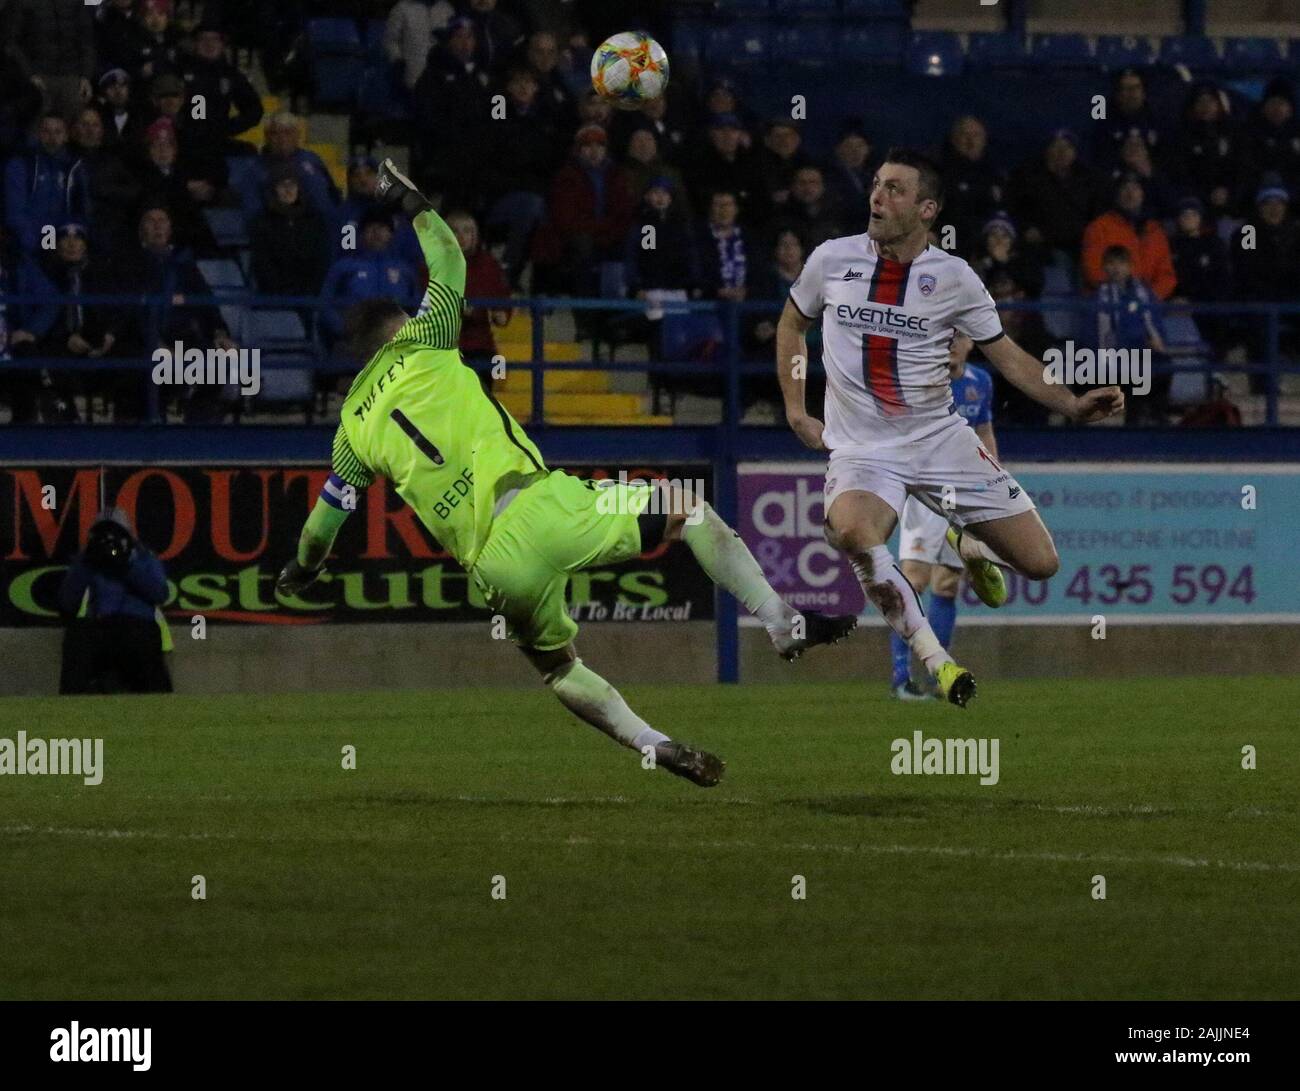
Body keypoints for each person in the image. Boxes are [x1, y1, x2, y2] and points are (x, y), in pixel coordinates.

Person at [276, 161, 858, 787]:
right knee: (686, 508)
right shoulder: (426, 337)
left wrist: (299, 573)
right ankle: (778, 621)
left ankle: (651, 742)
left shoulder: (350, 432)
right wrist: (411, 200)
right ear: (399, 326)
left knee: (557, 668)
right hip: (540, 506)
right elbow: (449, 260)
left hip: (492, 567)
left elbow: (321, 527)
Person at [776, 148, 1124, 707]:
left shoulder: (955, 278)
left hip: (940, 440)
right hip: (863, 450)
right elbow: (792, 324)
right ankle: (935, 664)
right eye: (875, 185)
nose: (877, 197)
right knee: (856, 534)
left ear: (926, 209)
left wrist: (1072, 404)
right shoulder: (831, 259)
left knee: (1040, 563)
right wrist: (796, 408)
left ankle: (970, 543)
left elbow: (1008, 357)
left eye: (894, 189)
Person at [889, 332, 996, 700]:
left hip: (963, 493)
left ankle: (939, 676)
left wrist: (995, 478)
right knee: (913, 581)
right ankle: (901, 678)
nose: (952, 343)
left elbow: (983, 432)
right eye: (945, 336)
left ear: (970, 343)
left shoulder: (980, 382)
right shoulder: (921, 378)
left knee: (947, 585)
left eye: (959, 337)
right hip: (925, 490)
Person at [58, 507, 173, 695]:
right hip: (100, 627)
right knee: (77, 636)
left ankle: (159, 707)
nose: (108, 542)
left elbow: (160, 593)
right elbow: (67, 602)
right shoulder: (87, 560)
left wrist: (127, 565)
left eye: (115, 535)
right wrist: (87, 562)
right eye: (102, 536)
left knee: (143, 643)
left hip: (136, 626)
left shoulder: (144, 557)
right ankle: (69, 708)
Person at [1096, 245, 1169, 423]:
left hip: (1142, 352)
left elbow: (1156, 322)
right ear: (1104, 267)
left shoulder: (1144, 293)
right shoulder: (1099, 296)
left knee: (1165, 364)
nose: (1116, 268)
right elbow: (1098, 332)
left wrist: (1158, 342)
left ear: (1130, 266)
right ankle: (1135, 421)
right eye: (1111, 263)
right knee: (1135, 369)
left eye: (1121, 263)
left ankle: (1157, 417)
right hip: (1117, 354)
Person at [1080, 174, 1177, 299]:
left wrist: (1148, 297)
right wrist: (1126, 296)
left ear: (1142, 194)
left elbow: (1166, 275)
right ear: (1116, 195)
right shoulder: (1098, 228)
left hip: (1148, 305)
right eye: (1125, 189)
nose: (1130, 194)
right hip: (1108, 303)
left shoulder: (1155, 230)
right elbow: (1093, 271)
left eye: (1135, 188)